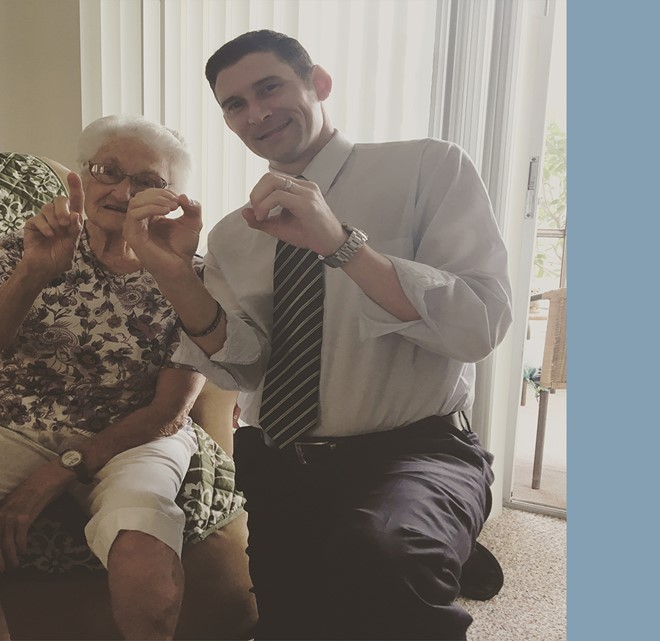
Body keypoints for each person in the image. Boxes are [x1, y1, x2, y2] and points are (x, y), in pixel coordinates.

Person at [122, 30, 512, 640]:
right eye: (235, 104)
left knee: (385, 558)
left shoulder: (427, 168)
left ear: (318, 83)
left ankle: (424, 533)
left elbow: (478, 325)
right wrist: (175, 276)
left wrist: (342, 245)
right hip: (282, 463)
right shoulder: (234, 234)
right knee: (294, 621)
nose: (257, 113)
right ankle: (421, 539)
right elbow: (244, 366)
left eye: (269, 87)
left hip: (413, 450)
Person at [0, 115, 207, 641]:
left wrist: (61, 470)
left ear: (172, 197)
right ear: (83, 174)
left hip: (134, 434)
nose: (122, 191)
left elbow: (170, 411)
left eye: (147, 181)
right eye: (108, 171)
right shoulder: (27, 245)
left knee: (142, 536)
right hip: (7, 421)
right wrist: (35, 272)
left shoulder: (190, 271)